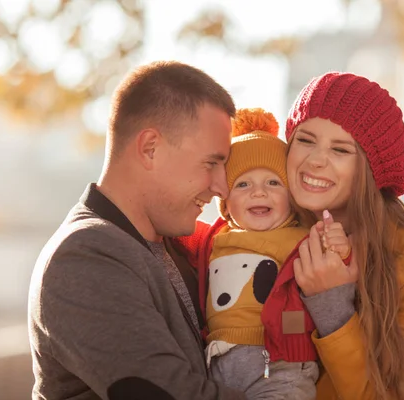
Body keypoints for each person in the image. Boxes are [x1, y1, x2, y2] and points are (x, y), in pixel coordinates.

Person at [27, 61, 248, 400]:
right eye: (211, 163)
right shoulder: (83, 257)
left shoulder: (179, 246)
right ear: (150, 148)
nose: (222, 187)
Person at [283, 72, 404, 399]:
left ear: (371, 168)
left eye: (341, 150)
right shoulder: (271, 231)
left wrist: (332, 306)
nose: (315, 160)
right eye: (305, 140)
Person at [173, 108, 351, 400]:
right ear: (226, 203)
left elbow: (333, 271)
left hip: (280, 363)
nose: (259, 192)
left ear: (292, 200)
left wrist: (338, 247)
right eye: (242, 184)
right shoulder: (215, 238)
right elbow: (175, 234)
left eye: (273, 183)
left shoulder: (300, 236)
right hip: (219, 361)